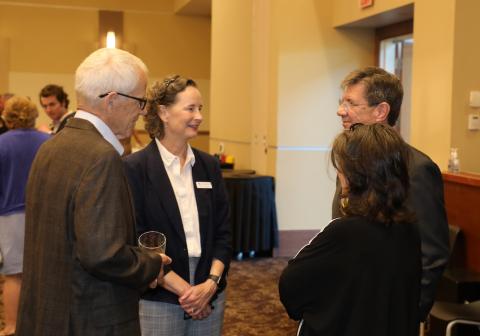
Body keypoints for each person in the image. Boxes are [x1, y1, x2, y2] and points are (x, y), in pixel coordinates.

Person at [16, 48, 170, 336]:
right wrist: (151, 263)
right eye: (140, 101)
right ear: (112, 100)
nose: (143, 111)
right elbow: (103, 254)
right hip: (89, 317)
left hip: (47, 312)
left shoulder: (50, 146)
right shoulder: (101, 157)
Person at [279, 123, 421, 336]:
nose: (339, 172)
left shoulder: (343, 233)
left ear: (359, 173)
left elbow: (291, 287)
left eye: (343, 166)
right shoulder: (409, 230)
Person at [332, 66, 449, 321]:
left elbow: (432, 253)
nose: (341, 111)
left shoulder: (416, 169)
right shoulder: (350, 160)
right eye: (342, 102)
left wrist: (408, 314)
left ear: (381, 111)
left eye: (351, 103)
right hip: (347, 302)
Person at [123, 75, 231, 336]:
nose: (199, 116)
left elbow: (224, 232)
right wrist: (187, 292)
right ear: (163, 112)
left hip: (210, 288)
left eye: (200, 109)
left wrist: (209, 285)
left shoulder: (209, 166)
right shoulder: (134, 168)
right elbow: (137, 239)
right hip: (161, 292)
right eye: (190, 108)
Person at [0, 97, 50, 336]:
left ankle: (11, 326)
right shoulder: (48, 141)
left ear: (7, 118)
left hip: (10, 215)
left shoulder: (1, 144)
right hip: (45, 214)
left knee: (14, 275)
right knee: (42, 273)